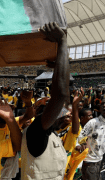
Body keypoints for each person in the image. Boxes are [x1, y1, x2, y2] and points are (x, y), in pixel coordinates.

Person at [21, 22, 70, 180]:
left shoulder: (51, 134)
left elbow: (64, 96)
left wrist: (59, 68)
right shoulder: (37, 133)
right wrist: (62, 41)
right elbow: (60, 95)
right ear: (45, 114)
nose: (64, 114)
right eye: (59, 111)